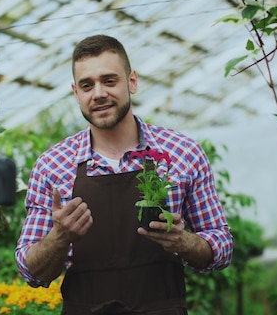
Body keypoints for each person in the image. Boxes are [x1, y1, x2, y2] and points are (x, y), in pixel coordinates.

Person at [15, 34, 233, 314]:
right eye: (87, 85)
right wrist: (59, 237)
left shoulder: (182, 153)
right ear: (76, 93)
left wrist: (186, 241)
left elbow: (223, 246)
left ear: (132, 82)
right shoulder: (53, 165)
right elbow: (30, 271)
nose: (98, 93)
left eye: (109, 80)